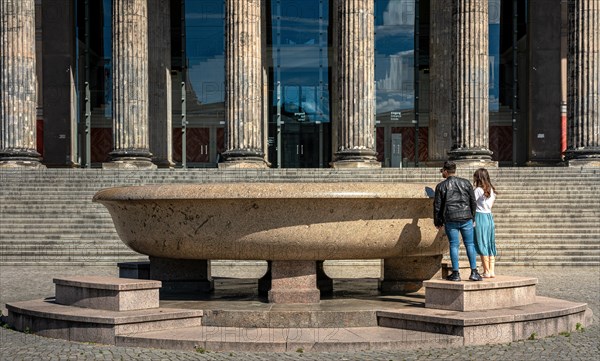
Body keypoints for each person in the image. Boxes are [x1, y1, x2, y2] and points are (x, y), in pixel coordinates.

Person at [434, 161, 482, 281]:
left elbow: (437, 206)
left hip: (450, 218)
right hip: (466, 217)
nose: (442, 173)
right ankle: (474, 272)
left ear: (445, 171)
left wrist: (438, 221)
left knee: (454, 245)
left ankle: (456, 273)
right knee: (470, 244)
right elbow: (473, 202)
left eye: (442, 171)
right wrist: (473, 217)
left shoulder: (441, 186)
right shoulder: (466, 183)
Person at [473, 168, 498, 278]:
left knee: (482, 242)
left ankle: (486, 271)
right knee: (490, 243)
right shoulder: (492, 190)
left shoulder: (478, 190)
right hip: (489, 217)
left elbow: (472, 203)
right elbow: (490, 205)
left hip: (480, 216)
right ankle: (491, 270)